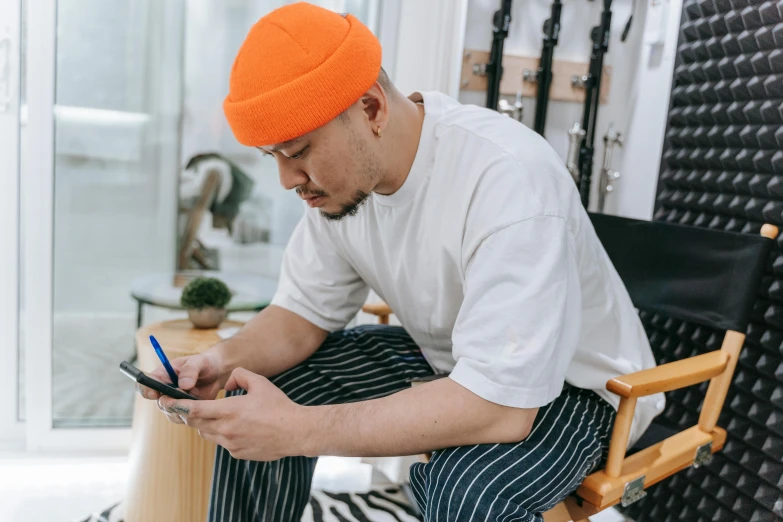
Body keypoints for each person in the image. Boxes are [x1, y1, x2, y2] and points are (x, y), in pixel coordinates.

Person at [138, 2, 665, 520]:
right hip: (456, 363)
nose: (286, 181)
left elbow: (501, 407)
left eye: (297, 152)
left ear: (371, 109)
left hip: (579, 390)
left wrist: (296, 429)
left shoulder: (508, 179)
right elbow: (299, 317)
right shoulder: (339, 192)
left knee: (463, 488)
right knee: (253, 394)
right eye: (272, 157)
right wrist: (219, 362)